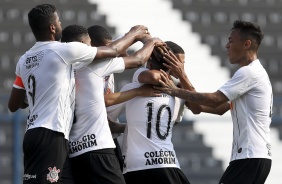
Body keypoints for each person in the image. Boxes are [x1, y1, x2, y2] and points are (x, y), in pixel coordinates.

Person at [7, 4, 151, 184]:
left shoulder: (24, 59)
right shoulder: (63, 50)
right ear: (52, 27)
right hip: (51, 133)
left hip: (34, 134)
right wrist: (134, 33)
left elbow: (15, 104)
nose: (60, 24)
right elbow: (113, 51)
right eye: (58, 21)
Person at [155, 20, 272, 184]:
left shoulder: (249, 73)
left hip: (249, 155)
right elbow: (218, 108)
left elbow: (215, 99)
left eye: (231, 41)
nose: (226, 46)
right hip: (255, 156)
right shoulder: (255, 73)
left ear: (246, 44)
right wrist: (184, 92)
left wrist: (174, 90)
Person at [61, 24, 164, 184]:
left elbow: (116, 46)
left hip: (75, 150)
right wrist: (151, 42)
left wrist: (132, 37)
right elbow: (137, 60)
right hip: (97, 146)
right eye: (88, 44)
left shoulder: (64, 68)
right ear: (85, 45)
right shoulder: (94, 64)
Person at [107, 44, 192, 184]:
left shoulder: (132, 88)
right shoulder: (178, 94)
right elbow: (196, 108)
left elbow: (107, 119)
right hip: (167, 162)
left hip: (135, 166)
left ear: (148, 63)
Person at [87, 25, 126, 170]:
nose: (110, 52)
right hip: (93, 138)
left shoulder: (108, 61)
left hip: (108, 136)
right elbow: (104, 101)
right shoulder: (88, 66)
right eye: (106, 48)